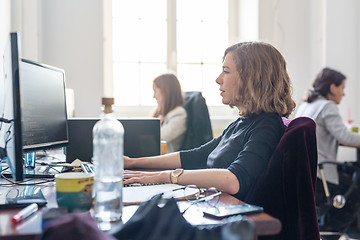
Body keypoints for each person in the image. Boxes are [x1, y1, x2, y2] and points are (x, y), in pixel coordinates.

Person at [124, 42, 295, 200]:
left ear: (252, 79)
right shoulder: (242, 123)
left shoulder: (267, 125)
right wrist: (134, 162)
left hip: (236, 219)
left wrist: (166, 176)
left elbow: (233, 180)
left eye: (226, 71)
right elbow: (197, 155)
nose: (218, 79)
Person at [295, 68, 360, 186]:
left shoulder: (305, 105)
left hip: (303, 169)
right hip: (320, 173)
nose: (344, 93)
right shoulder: (327, 106)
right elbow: (346, 137)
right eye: (342, 88)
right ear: (333, 88)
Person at [152, 73, 187, 153]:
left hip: (166, 160)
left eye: (155, 91)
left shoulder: (179, 114)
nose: (154, 96)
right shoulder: (162, 113)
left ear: (165, 92)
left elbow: (158, 137)